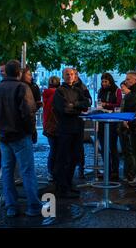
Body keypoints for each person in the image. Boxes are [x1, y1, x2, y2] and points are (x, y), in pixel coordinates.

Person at [0, 60, 41, 217]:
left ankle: (11, 206)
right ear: (18, 73)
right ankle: (34, 206)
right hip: (20, 135)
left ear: (5, 72)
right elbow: (28, 113)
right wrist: (31, 132)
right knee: (27, 171)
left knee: (7, 171)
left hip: (3, 136)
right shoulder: (22, 88)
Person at [52, 68, 90, 198]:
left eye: (72, 74)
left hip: (77, 128)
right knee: (63, 158)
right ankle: (61, 187)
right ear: (63, 76)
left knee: (75, 157)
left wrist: (73, 105)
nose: (69, 76)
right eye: (67, 74)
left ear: (75, 77)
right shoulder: (60, 91)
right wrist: (76, 108)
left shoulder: (78, 90)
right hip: (64, 129)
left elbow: (86, 104)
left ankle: (69, 184)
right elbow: (63, 109)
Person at [118, 71, 136, 186]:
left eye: (128, 79)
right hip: (132, 126)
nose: (126, 81)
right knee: (134, 152)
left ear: (135, 80)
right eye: (126, 79)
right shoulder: (132, 94)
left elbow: (134, 110)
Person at [97, 72, 122, 180]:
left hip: (113, 121)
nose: (103, 83)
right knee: (103, 147)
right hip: (102, 121)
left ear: (110, 81)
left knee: (112, 147)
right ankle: (107, 170)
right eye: (102, 81)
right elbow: (99, 103)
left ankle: (115, 172)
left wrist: (107, 105)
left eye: (105, 81)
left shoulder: (117, 91)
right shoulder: (100, 91)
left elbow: (119, 104)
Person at [73, 70, 92, 179]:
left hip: (79, 119)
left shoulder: (83, 87)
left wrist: (76, 104)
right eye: (70, 74)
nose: (72, 76)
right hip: (68, 121)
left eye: (74, 74)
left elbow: (88, 101)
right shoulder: (64, 88)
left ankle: (81, 168)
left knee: (79, 146)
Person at [42, 76, 60, 182]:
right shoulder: (57, 94)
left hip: (48, 125)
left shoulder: (46, 94)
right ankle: (54, 171)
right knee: (57, 150)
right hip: (56, 125)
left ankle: (51, 172)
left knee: (53, 150)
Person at [21, 66, 42, 144]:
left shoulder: (34, 86)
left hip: (28, 121)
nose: (31, 76)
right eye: (29, 74)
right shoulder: (18, 86)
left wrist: (35, 107)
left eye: (30, 74)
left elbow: (38, 102)